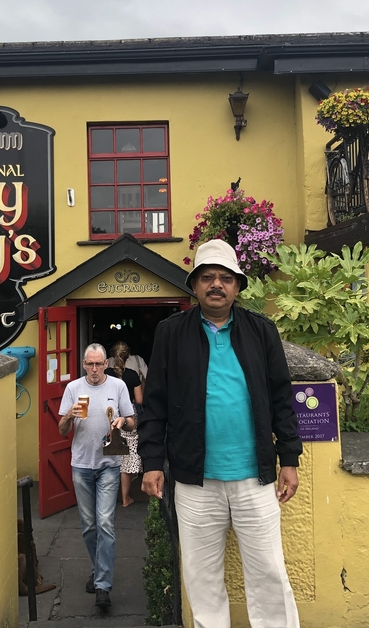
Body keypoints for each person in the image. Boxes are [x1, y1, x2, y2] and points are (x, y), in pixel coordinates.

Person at [139, 239, 302, 628]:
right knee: (202, 578)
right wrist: (151, 462)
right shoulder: (171, 333)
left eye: (226, 278)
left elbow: (281, 399)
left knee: (269, 573)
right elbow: (155, 402)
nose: (216, 285)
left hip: (255, 477)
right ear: (194, 285)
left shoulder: (261, 331)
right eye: (208, 277)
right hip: (195, 480)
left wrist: (289, 459)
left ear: (237, 286)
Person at [58, 343, 136, 610]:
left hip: (109, 464)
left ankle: (103, 585)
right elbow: (61, 430)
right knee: (89, 526)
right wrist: (69, 416)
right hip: (81, 464)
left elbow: (132, 420)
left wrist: (122, 422)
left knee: (104, 523)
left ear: (106, 364)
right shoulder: (73, 388)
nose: (94, 369)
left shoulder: (118, 386)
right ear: (83, 364)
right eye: (89, 364)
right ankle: (98, 568)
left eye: (98, 364)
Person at [106, 342, 144, 507]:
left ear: (112, 356)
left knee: (109, 455)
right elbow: (139, 400)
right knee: (127, 460)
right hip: (128, 417)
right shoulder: (133, 375)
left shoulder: (106, 373)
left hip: (109, 415)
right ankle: (126, 498)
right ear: (128, 357)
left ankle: (107, 497)